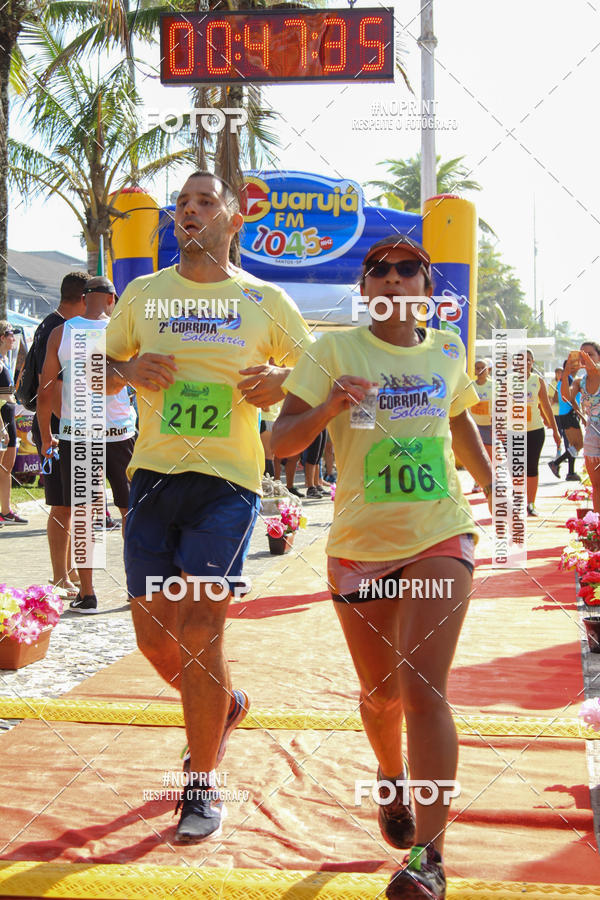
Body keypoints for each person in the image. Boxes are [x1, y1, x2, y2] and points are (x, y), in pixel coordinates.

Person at [272, 234, 494, 900]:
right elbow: (280, 441)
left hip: (439, 536)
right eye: (379, 271)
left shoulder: (447, 351)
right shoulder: (331, 350)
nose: (393, 279)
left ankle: (429, 857)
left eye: (408, 271)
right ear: (364, 290)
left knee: (423, 687)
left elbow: (460, 423)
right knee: (381, 694)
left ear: (427, 290)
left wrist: (499, 489)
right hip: (360, 548)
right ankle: (390, 775)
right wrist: (330, 405)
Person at [104, 170, 313, 843]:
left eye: (204, 201)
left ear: (232, 219)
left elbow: (318, 373)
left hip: (226, 482)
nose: (190, 210)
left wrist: (283, 377)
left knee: (199, 632)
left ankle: (200, 784)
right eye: (182, 203)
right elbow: (95, 365)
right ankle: (226, 706)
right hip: (155, 479)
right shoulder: (144, 294)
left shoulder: (264, 299)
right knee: (155, 640)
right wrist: (129, 371)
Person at [37, 276, 137, 613]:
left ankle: (88, 594)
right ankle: (136, 590)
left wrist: (47, 433)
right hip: (120, 432)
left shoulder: (61, 332)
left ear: (84, 298)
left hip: (77, 433)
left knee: (84, 513)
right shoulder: (123, 329)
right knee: (129, 511)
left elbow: (46, 389)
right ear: (111, 299)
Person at [30, 272, 90, 593]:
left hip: (62, 426)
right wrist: (63, 427)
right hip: (56, 428)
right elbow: (48, 389)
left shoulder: (56, 326)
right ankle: (59, 575)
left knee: (71, 503)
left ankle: (68, 570)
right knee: (62, 504)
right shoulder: (55, 330)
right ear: (83, 299)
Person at [562, 342, 600, 511]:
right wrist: (565, 374)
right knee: (597, 486)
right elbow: (565, 397)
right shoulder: (579, 382)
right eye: (582, 354)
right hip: (592, 435)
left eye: (590, 354)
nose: (585, 357)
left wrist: (594, 368)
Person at [524, 350, 561, 516]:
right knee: (515, 467)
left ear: (532, 362)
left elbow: (546, 407)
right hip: (512, 431)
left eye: (528, 360)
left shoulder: (537, 381)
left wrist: (555, 430)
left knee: (531, 467)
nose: (524, 363)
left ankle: (530, 503)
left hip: (534, 430)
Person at [0, 322, 28, 525]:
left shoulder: (5, 359)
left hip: (9, 414)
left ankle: (6, 511)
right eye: (10, 334)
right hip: (2, 415)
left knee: (6, 467)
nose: (13, 338)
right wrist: (1, 425)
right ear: (1, 337)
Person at [551, 357, 583, 482]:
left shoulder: (565, 380)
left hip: (564, 414)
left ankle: (570, 472)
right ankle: (556, 463)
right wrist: (581, 415)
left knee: (572, 446)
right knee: (578, 444)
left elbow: (555, 398)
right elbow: (571, 399)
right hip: (569, 414)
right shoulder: (568, 379)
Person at [470, 358, 493, 493]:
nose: (479, 370)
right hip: (474, 425)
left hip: (489, 425)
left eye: (482, 368)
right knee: (476, 455)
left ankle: (491, 481)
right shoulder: (470, 385)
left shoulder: (494, 385)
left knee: (489, 456)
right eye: (477, 368)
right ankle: (477, 482)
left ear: (488, 370)